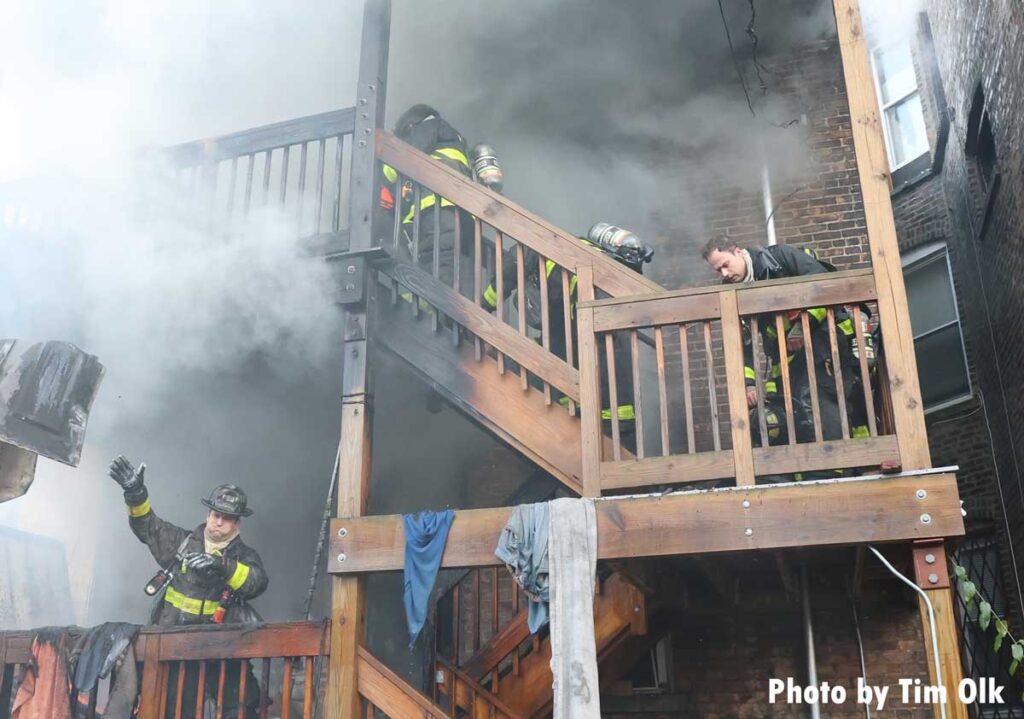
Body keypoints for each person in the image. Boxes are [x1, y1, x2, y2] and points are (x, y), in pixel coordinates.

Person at [108, 455, 268, 718]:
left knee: (240, 709)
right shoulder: (180, 544)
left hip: (224, 651)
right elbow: (147, 527)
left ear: (237, 523)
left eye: (226, 518)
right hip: (177, 651)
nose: (218, 522)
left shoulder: (244, 557)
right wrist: (135, 493)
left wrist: (223, 566)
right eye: (216, 514)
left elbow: (257, 583)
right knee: (173, 710)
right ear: (208, 513)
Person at [701, 236, 869, 457]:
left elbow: (825, 282)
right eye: (717, 271)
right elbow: (740, 343)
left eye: (725, 265)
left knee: (837, 404)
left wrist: (804, 323)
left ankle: (858, 462)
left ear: (738, 252)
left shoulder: (778, 258)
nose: (724, 274)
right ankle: (821, 468)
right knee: (794, 417)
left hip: (827, 347)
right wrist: (749, 384)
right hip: (787, 362)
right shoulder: (731, 293)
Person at [380, 104, 474, 293]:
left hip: (438, 210)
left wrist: (385, 158)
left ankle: (436, 311)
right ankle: (436, 310)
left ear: (412, 125)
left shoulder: (431, 125)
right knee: (438, 265)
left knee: (437, 270)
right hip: (453, 214)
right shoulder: (450, 139)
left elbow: (405, 157)